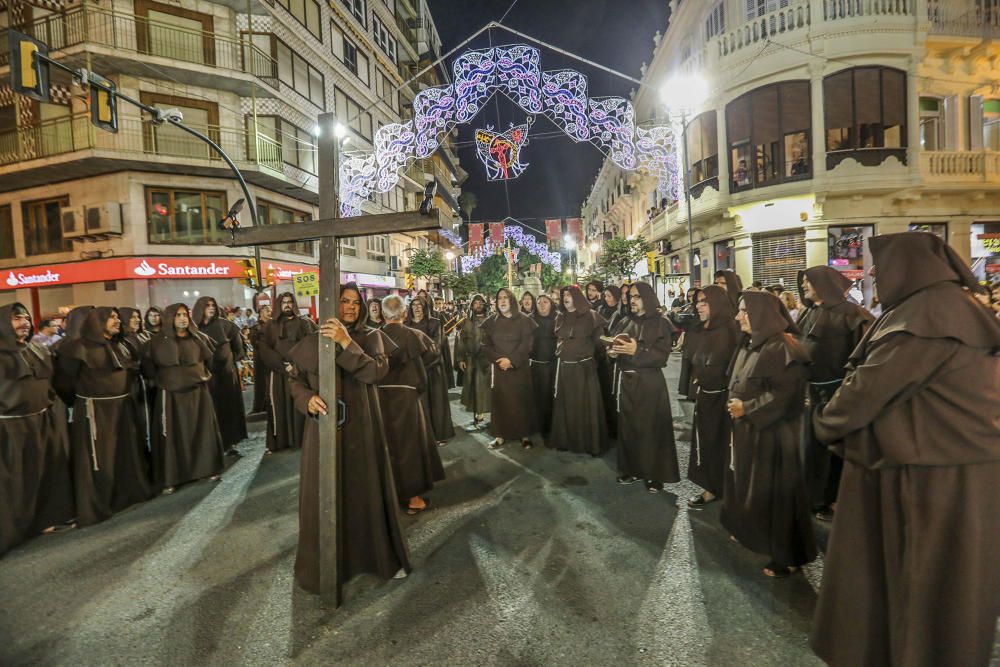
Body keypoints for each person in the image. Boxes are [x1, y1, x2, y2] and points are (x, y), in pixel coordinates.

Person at [809, 233, 1000, 667]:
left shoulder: (927, 315)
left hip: (931, 478)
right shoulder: (947, 308)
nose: (874, 273)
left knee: (922, 580)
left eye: (881, 264)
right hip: (945, 468)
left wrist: (823, 425)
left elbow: (863, 393)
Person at [288, 284, 410, 593]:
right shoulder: (313, 340)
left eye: (356, 302)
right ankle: (323, 567)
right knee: (324, 494)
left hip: (361, 427)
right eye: (344, 301)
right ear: (333, 303)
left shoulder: (370, 337)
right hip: (322, 429)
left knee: (364, 492)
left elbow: (376, 373)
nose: (350, 307)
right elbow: (296, 380)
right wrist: (307, 399)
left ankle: (377, 559)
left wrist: (345, 342)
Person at [722, 290, 815, 578]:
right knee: (751, 487)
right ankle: (753, 533)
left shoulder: (784, 347)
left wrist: (747, 407)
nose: (738, 317)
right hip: (750, 430)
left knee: (780, 495)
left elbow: (785, 397)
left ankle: (788, 555)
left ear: (762, 314)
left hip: (775, 435)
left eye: (744, 311)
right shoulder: (753, 343)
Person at [55, 307, 153, 526]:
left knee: (126, 453)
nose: (116, 321)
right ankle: (99, 504)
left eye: (117, 317)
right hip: (95, 410)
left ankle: (128, 495)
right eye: (111, 317)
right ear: (97, 322)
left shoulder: (123, 344)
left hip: (124, 407)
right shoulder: (76, 348)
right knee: (100, 459)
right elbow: (64, 384)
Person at [795, 266, 873, 522]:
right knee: (810, 450)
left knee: (831, 453)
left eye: (809, 281)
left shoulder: (854, 315)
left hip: (836, 395)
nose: (804, 286)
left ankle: (827, 499)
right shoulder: (810, 312)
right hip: (811, 394)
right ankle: (812, 496)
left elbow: (864, 361)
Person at [0, 303, 74, 557]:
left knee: (45, 472)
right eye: (15, 319)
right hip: (10, 426)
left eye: (26, 318)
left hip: (41, 420)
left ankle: (45, 520)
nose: (23, 322)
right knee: (15, 480)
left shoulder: (35, 348)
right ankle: (14, 530)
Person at [145, 303, 225, 494]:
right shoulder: (156, 342)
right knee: (173, 437)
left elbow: (209, 361)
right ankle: (172, 478)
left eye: (185, 315)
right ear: (170, 318)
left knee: (202, 432)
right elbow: (149, 368)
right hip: (170, 396)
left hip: (197, 393)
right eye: (178, 315)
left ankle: (205, 470)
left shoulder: (197, 339)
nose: (182, 318)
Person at [378, 295, 446, 515]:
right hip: (407, 397)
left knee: (385, 446)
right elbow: (432, 354)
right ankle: (414, 497)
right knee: (409, 448)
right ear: (404, 313)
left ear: (383, 314)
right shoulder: (414, 335)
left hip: (379, 398)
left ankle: (387, 494)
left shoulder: (374, 337)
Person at [610, 283, 678, 493]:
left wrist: (636, 350)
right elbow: (616, 345)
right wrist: (613, 352)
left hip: (649, 383)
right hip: (628, 383)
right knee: (629, 427)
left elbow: (661, 356)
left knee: (651, 429)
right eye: (630, 296)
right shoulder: (625, 321)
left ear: (647, 298)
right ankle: (632, 468)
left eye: (637, 296)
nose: (632, 300)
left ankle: (653, 474)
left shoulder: (661, 323)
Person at [687, 285, 741, 508]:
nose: (699, 305)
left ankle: (729, 490)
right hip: (706, 396)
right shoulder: (701, 329)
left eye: (704, 301)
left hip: (725, 398)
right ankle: (710, 487)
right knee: (707, 444)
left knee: (726, 446)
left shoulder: (733, 330)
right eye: (698, 301)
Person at [548, 285, 608, 456]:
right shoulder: (560, 317)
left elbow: (600, 342)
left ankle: (592, 444)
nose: (566, 298)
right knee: (567, 406)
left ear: (577, 297)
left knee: (586, 406)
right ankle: (566, 440)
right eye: (564, 295)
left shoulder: (591, 316)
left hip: (584, 368)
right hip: (566, 367)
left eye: (569, 295)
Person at [256, 293, 317, 453]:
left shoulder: (305, 323)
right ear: (279, 305)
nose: (287, 305)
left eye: (290, 302)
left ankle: (302, 439)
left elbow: (312, 345)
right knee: (279, 405)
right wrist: (283, 366)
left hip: (301, 373)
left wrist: (298, 366)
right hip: (278, 374)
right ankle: (280, 441)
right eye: (284, 302)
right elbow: (265, 349)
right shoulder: (270, 326)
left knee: (301, 404)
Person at [481, 288, 538, 449]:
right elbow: (486, 345)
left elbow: (526, 344)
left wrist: (511, 360)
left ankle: (524, 435)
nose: (503, 301)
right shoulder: (491, 321)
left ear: (512, 300)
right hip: (500, 369)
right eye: (499, 298)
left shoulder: (524, 320)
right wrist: (500, 361)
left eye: (506, 297)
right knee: (501, 402)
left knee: (521, 401)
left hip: (519, 368)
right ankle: (500, 435)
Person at [192, 296, 248, 455]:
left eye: (213, 305)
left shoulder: (226, 326)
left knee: (227, 409)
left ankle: (229, 443)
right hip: (205, 378)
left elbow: (239, 349)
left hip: (226, 376)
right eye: (207, 305)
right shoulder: (194, 328)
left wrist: (228, 363)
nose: (211, 308)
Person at [406, 296, 454, 445]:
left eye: (419, 305)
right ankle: (422, 436)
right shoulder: (405, 325)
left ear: (425, 307)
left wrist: (421, 363)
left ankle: (439, 435)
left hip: (432, 370)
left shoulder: (435, 323)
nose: (416, 307)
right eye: (414, 305)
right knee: (419, 404)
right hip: (413, 372)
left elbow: (436, 347)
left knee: (436, 404)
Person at [455, 293, 491, 430]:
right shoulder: (466, 322)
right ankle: (477, 415)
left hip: (485, 362)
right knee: (472, 389)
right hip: (470, 361)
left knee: (483, 390)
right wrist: (460, 358)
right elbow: (462, 342)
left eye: (480, 302)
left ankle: (481, 416)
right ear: (471, 305)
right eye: (475, 303)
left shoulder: (490, 321)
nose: (478, 305)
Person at [529, 294, 558, 437]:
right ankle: (537, 425)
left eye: (545, 302)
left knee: (551, 396)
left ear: (551, 304)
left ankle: (551, 426)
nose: (542, 305)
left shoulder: (557, 319)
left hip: (553, 365)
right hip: (535, 365)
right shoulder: (530, 319)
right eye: (539, 302)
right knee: (536, 396)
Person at [249, 305, 273, 415]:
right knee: (260, 383)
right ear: (261, 313)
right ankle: (259, 407)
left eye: (270, 310)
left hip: (272, 359)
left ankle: (270, 405)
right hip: (260, 359)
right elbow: (255, 343)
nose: (270, 312)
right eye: (267, 310)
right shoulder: (255, 327)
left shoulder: (274, 325)